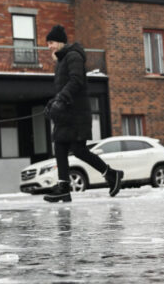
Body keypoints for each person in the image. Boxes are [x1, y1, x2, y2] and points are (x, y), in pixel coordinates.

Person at [43, 24, 123, 203]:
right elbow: (63, 87)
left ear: (62, 42)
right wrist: (53, 103)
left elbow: (76, 81)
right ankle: (64, 186)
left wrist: (61, 99)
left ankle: (111, 174)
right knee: (60, 145)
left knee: (78, 149)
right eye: (48, 44)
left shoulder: (73, 56)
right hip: (66, 113)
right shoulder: (61, 61)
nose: (50, 47)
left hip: (76, 113)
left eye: (52, 42)